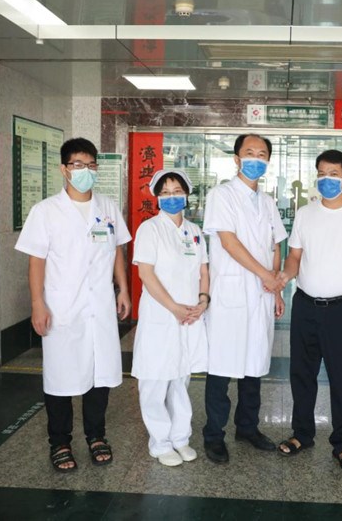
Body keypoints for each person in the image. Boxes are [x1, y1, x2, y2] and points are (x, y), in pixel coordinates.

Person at [15, 137, 132, 473]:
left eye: (91, 165)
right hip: (62, 306)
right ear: (64, 169)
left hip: (100, 305)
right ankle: (60, 441)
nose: (86, 171)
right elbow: (36, 261)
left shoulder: (107, 206)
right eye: (78, 165)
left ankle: (96, 436)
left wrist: (123, 290)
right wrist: (37, 303)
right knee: (61, 377)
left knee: (100, 374)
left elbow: (117, 251)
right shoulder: (46, 211)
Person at [276, 150, 342, 472]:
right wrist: (285, 275)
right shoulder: (305, 214)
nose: (327, 179)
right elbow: (295, 256)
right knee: (302, 374)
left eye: (333, 174)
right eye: (321, 173)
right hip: (305, 305)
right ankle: (302, 434)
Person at [201, 133, 288, 464]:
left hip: (262, 294)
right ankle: (214, 434)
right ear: (236, 159)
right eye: (249, 153)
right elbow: (228, 242)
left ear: (268, 161)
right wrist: (266, 275)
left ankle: (247, 428)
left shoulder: (267, 201)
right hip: (231, 292)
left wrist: (276, 287)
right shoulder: (221, 195)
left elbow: (276, 244)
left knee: (254, 364)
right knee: (222, 367)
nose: (255, 159)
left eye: (262, 154)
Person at [132, 170, 209, 467]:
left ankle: (180, 438)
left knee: (180, 378)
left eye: (177, 191)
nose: (172, 197)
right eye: (165, 192)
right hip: (161, 315)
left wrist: (203, 301)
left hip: (189, 315)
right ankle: (160, 442)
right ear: (157, 197)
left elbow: (203, 270)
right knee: (154, 380)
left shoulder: (194, 230)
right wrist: (174, 307)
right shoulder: (150, 229)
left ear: (187, 194)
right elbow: (146, 274)